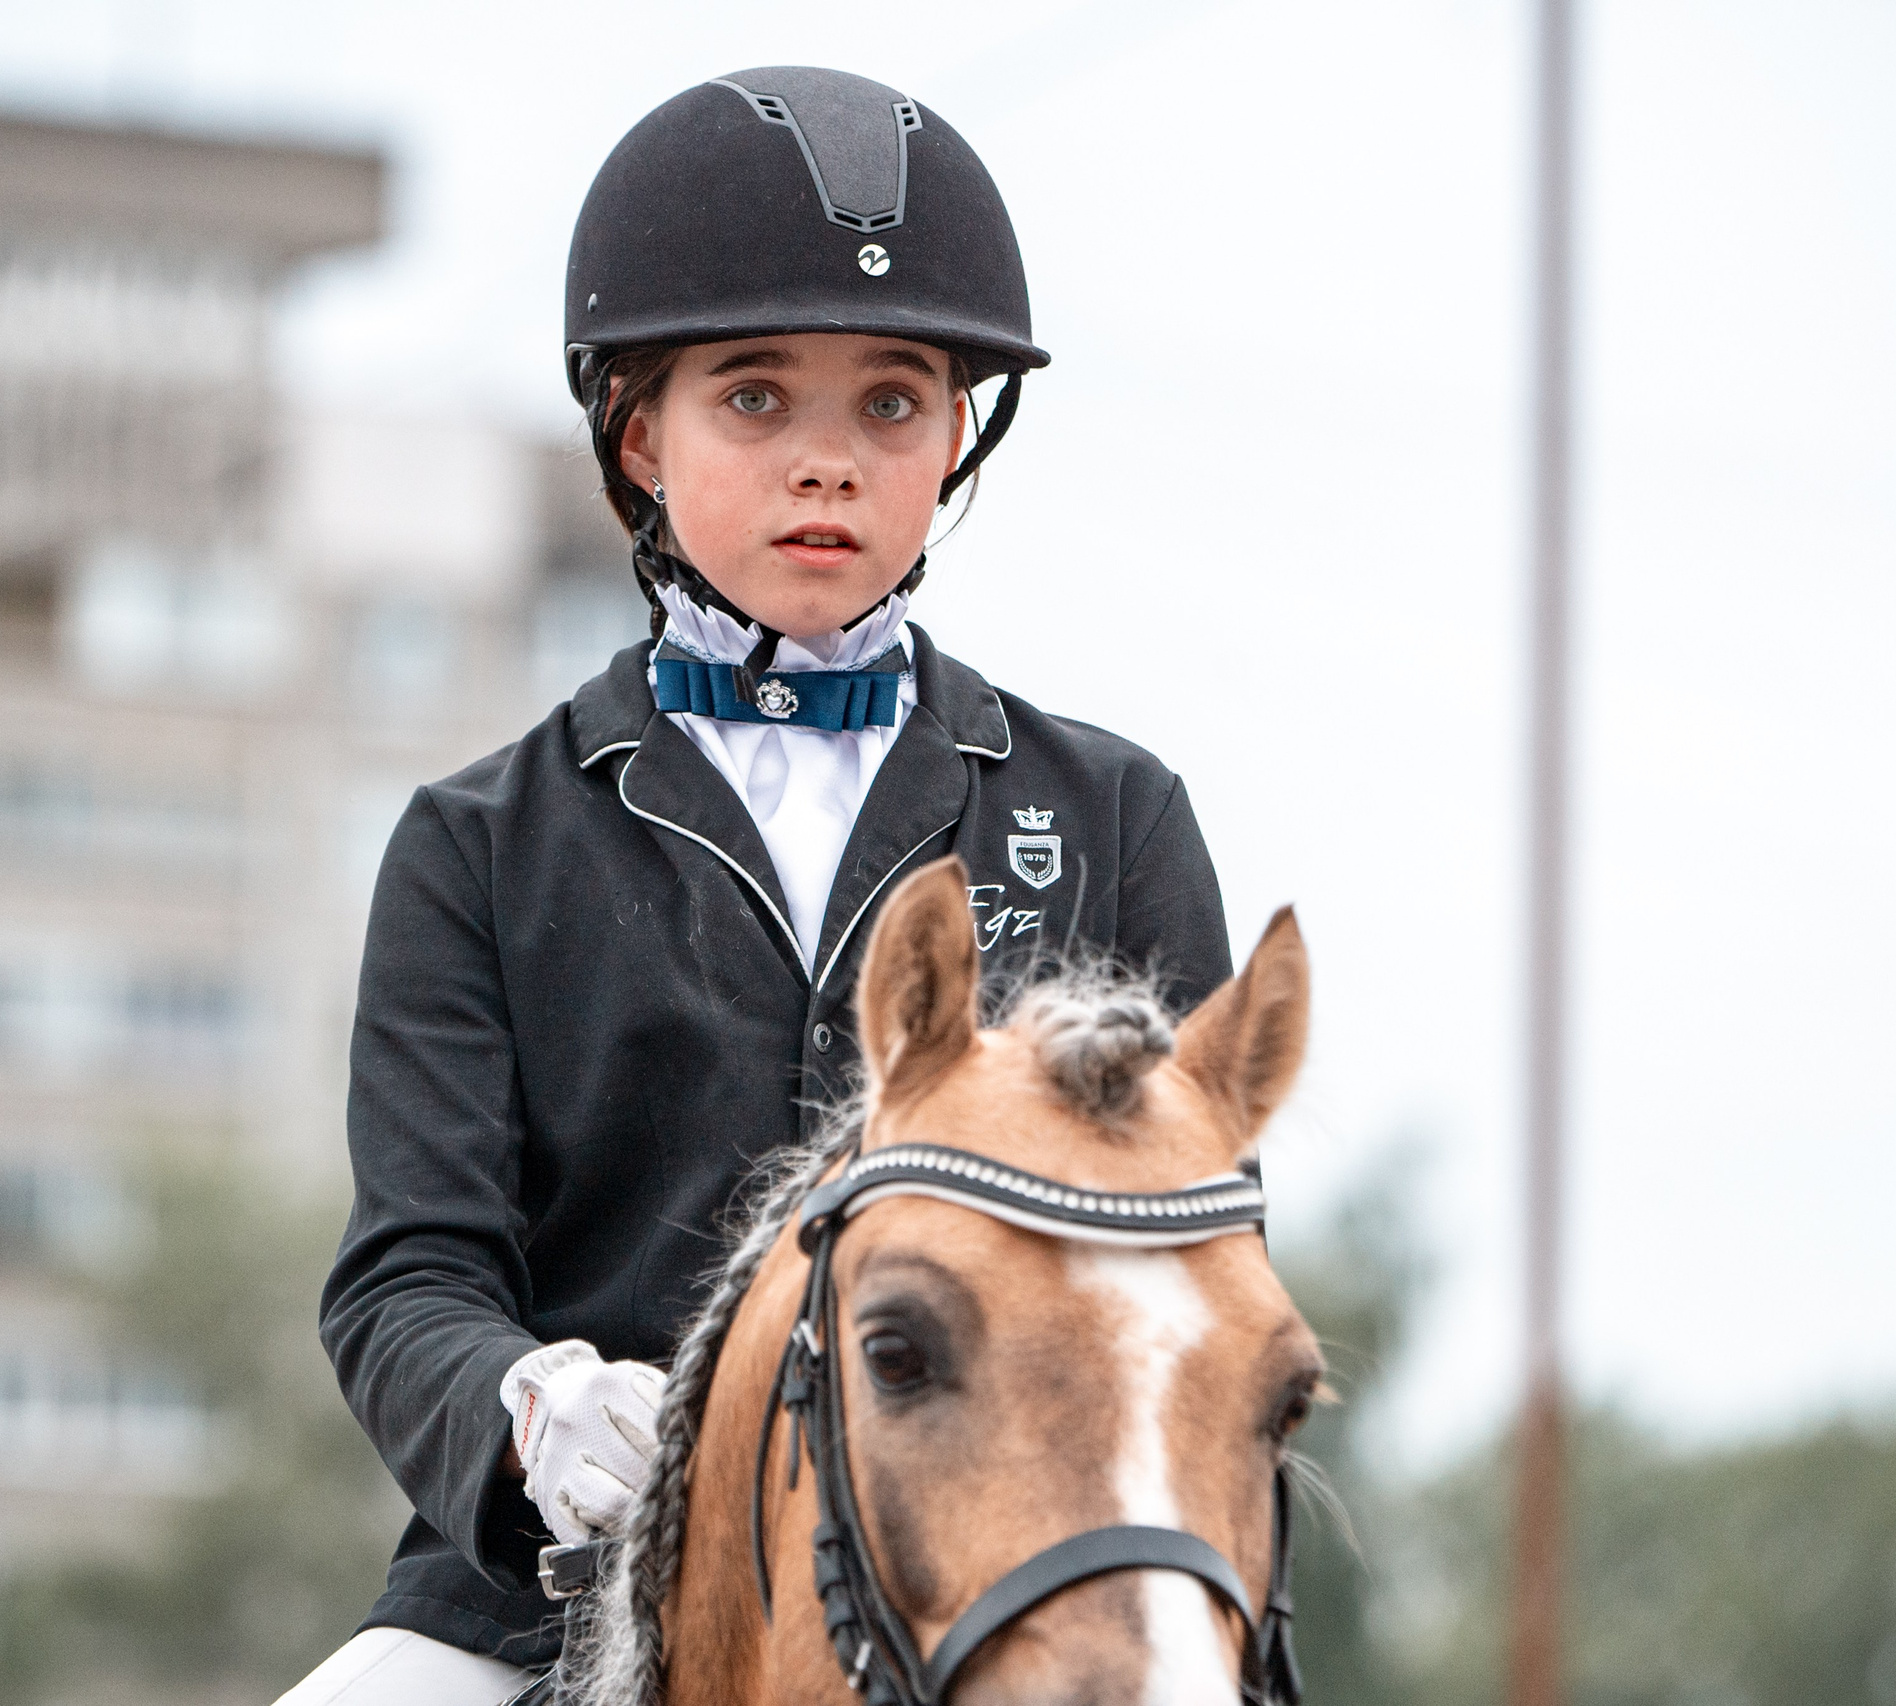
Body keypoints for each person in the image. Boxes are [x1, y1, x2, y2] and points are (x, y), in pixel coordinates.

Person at [277, 66, 1234, 1705]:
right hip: (548, 1602)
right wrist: (530, 1405)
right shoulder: (477, 844)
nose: (828, 464)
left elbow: (1183, 1252)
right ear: (637, 432)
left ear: (956, 436)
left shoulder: (1116, 817)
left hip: (990, 1576)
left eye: (891, 402)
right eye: (755, 399)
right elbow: (407, 1276)